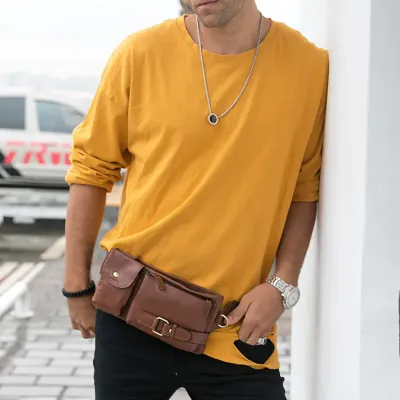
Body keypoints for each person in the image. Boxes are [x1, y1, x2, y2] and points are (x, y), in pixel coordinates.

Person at [63, 0, 329, 399]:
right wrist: (76, 287)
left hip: (236, 327)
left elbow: (305, 187)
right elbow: (91, 170)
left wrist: (282, 284)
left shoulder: (308, 66)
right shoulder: (139, 54)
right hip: (132, 314)